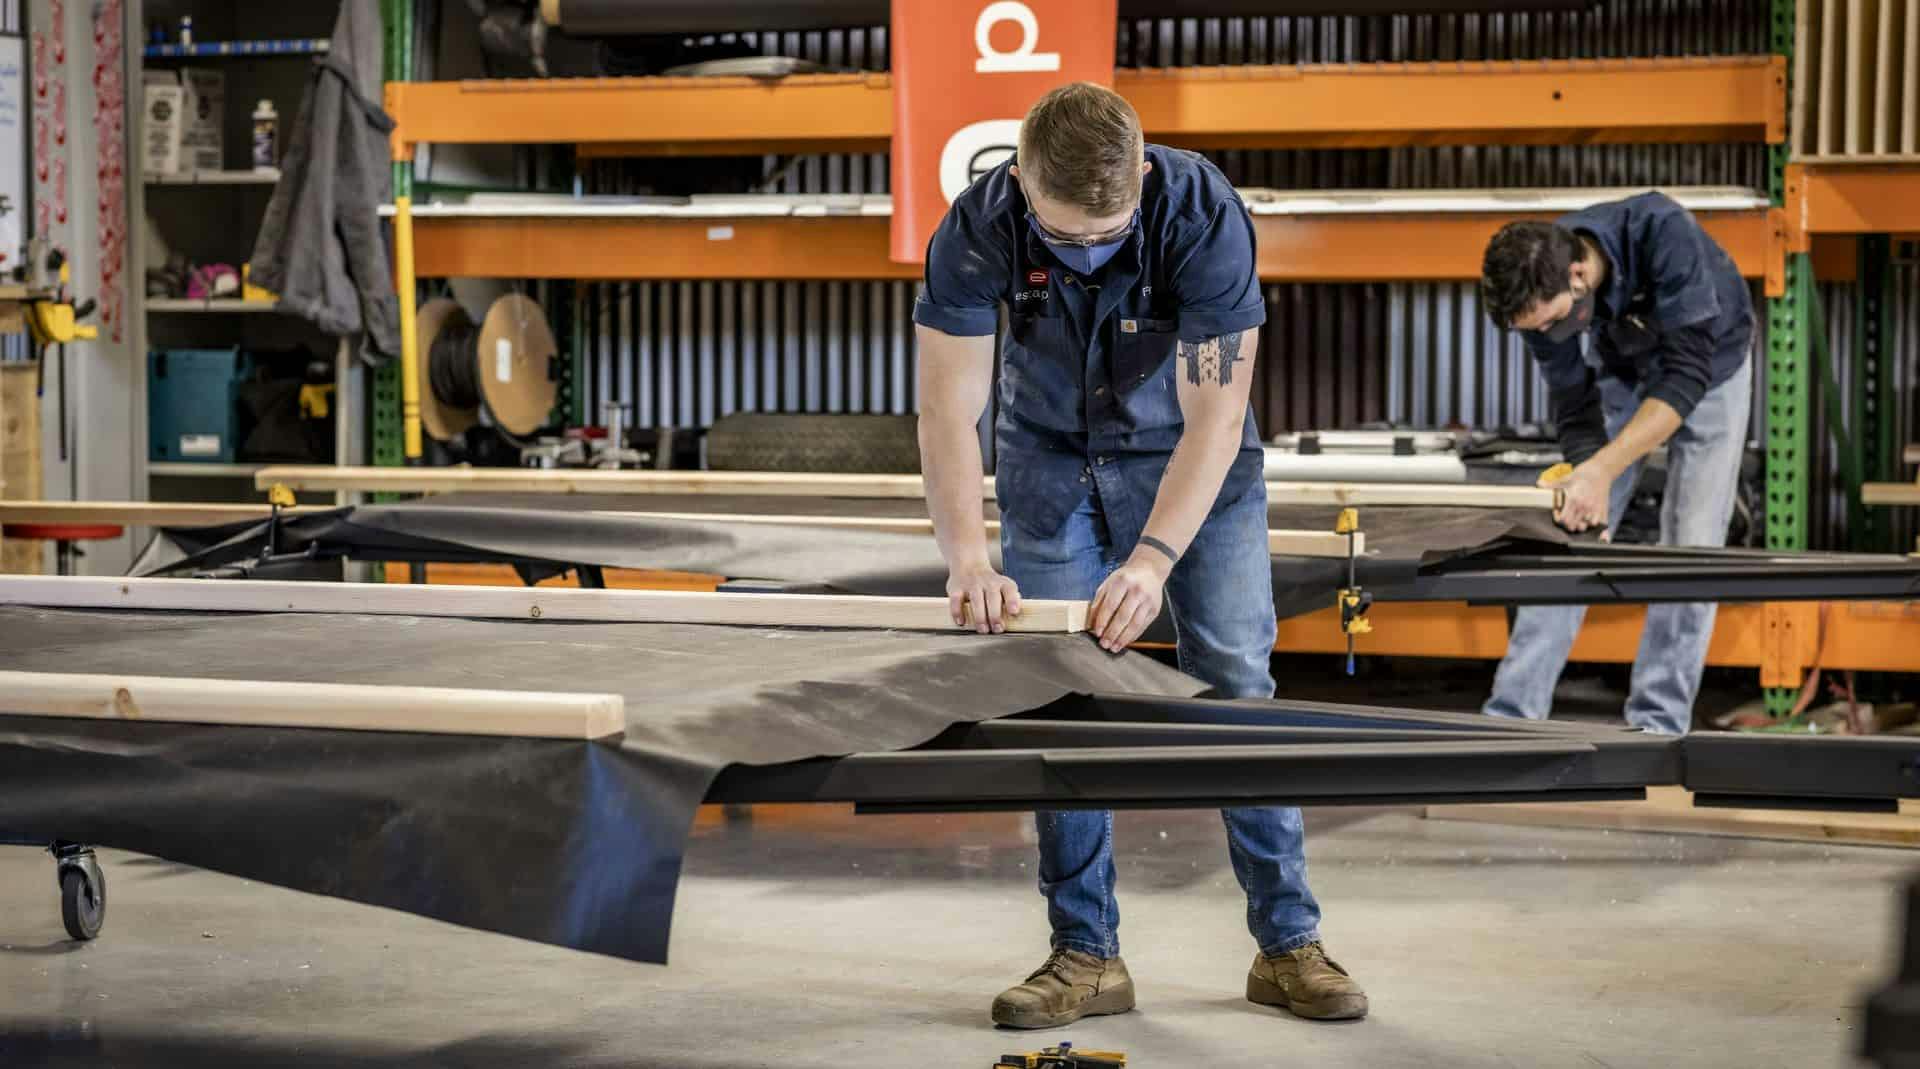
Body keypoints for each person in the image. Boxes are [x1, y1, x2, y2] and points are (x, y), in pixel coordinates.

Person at [912, 82, 1367, 1030]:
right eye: (1067, 238)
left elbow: (1218, 413)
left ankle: (1288, 945)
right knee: (1063, 694)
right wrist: (965, 556)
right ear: (1024, 188)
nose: (1091, 253)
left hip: (1194, 462)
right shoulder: (977, 224)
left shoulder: (1204, 215)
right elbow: (948, 409)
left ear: (1144, 176)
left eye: (1110, 233)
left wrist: (1154, 558)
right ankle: (1085, 953)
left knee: (1237, 679)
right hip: (1047, 459)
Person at [1478, 192, 1755, 736]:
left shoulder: (1662, 231)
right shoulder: (1539, 291)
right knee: (1570, 531)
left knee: (1692, 545)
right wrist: (1588, 476)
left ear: (1579, 275)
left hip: (1710, 370)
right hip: (1625, 370)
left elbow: (1684, 377)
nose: (1545, 335)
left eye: (1552, 321)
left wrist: (1606, 470)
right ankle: (1511, 719)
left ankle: (1658, 724)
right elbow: (1573, 402)